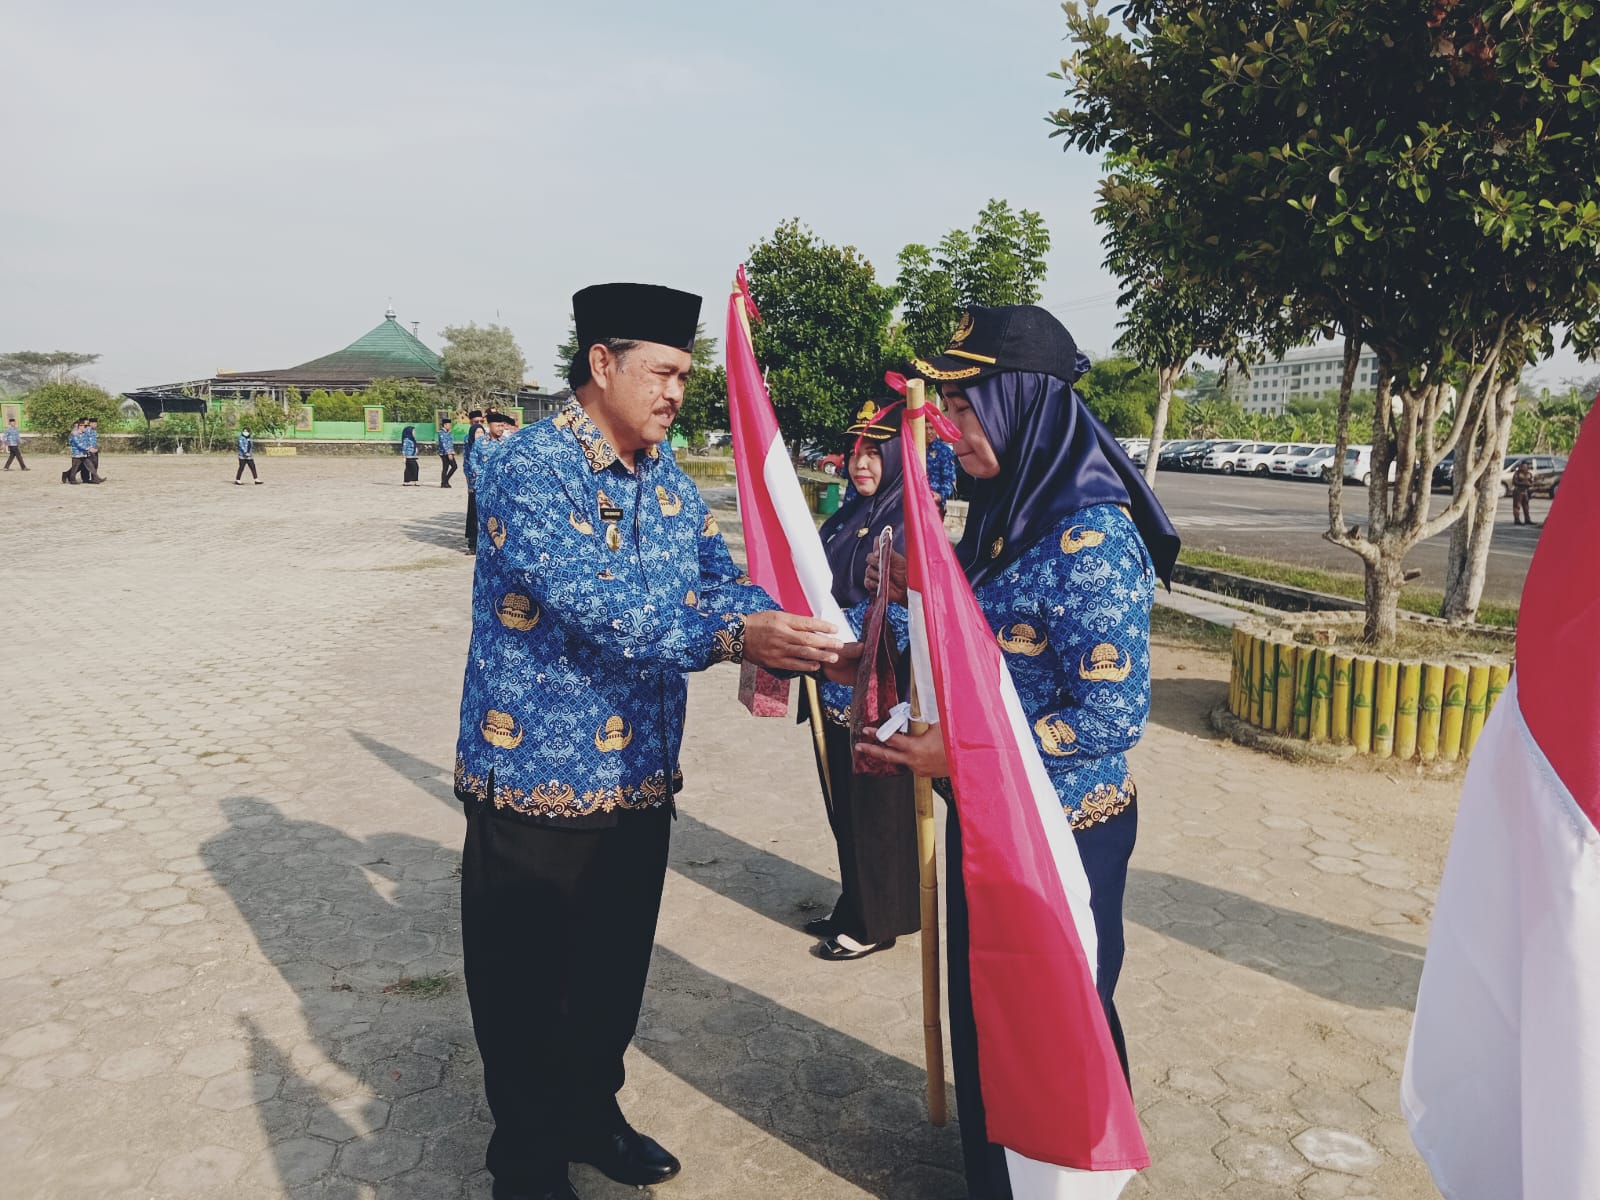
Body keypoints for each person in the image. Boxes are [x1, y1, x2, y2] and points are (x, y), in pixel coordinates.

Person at [453, 281, 845, 1200]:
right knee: (525, 989)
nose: (676, 392)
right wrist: (733, 638)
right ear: (603, 364)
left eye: (685, 375)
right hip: (535, 779)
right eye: (663, 372)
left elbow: (716, 579)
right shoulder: (531, 466)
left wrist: (802, 626)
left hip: (637, 775)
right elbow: (598, 605)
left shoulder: (662, 474)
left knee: (609, 976)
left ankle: (591, 1113)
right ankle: (527, 1161)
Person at [859, 304, 1179, 1200]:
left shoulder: (1091, 533)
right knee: (993, 1021)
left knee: (1052, 1025)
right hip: (997, 821)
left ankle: (1066, 1183)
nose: (949, 430)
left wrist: (960, 756)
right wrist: (873, 615)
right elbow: (973, 646)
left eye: (965, 409)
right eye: (947, 408)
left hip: (1067, 832)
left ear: (1023, 406)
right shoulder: (1004, 514)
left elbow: (1111, 713)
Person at [803, 397, 921, 961]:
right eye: (856, 454)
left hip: (879, 688)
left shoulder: (909, 522)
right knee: (844, 801)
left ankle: (879, 920)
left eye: (875, 454)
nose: (862, 466)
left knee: (878, 805)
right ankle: (855, 901)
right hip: (831, 679)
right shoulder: (846, 517)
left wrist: (844, 636)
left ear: (899, 456)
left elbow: (910, 611)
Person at [463, 409, 487, 549]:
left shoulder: (488, 440)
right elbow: (467, 463)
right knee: (473, 512)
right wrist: (469, 483)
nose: (479, 424)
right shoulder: (468, 439)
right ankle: (472, 540)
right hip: (474, 481)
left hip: (487, 483)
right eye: (475, 422)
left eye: (481, 422)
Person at [62, 419, 87, 484]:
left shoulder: (82, 433)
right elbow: (71, 442)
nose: (76, 428)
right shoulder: (73, 433)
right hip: (77, 452)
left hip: (83, 452)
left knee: (80, 466)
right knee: (76, 466)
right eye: (75, 426)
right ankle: (71, 477)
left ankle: (68, 474)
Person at [1511, 457, 1535, 526]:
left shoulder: (1529, 474)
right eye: (1523, 466)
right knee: (1517, 506)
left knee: (1526, 507)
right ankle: (1517, 520)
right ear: (1521, 466)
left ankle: (1527, 519)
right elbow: (1514, 482)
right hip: (1518, 491)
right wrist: (1524, 484)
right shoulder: (1517, 473)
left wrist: (1530, 485)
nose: (1525, 467)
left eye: (1526, 466)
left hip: (1526, 492)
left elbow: (1532, 482)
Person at [438, 418, 458, 488]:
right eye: (449, 425)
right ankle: (444, 482)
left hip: (449, 452)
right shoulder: (441, 432)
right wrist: (449, 453)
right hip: (444, 453)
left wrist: (452, 452)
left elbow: (450, 442)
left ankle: (444, 482)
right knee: (451, 467)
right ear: (445, 425)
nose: (450, 426)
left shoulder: (448, 432)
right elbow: (444, 444)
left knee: (450, 467)